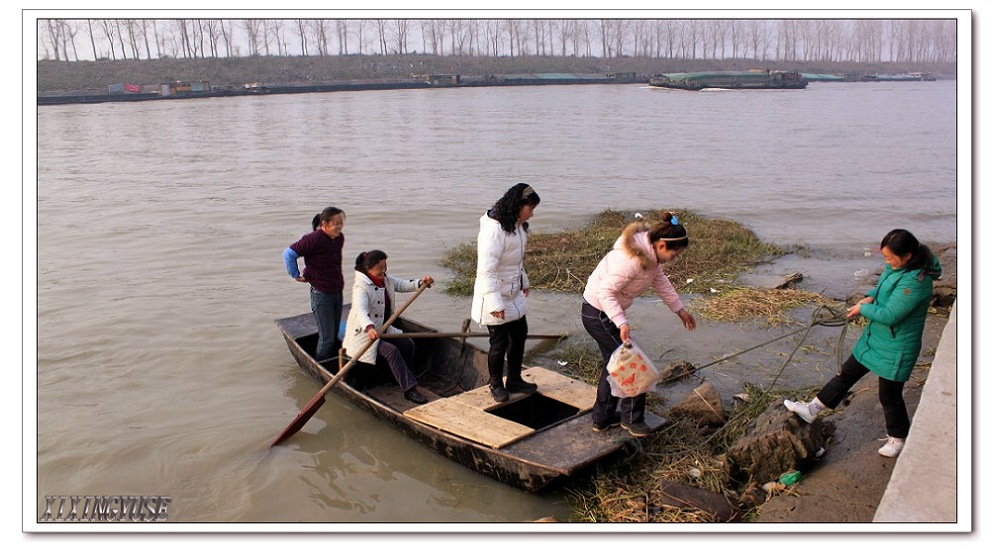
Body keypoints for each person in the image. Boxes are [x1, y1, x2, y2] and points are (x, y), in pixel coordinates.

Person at [784, 229, 941, 458]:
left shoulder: (916, 282)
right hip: (876, 338)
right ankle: (811, 410)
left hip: (897, 347)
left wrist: (863, 309)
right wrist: (869, 296)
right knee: (845, 374)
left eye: (889, 258)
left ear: (907, 256)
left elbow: (891, 315)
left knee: (889, 396)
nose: (886, 262)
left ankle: (897, 439)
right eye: (884, 257)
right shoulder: (898, 267)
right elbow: (883, 287)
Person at [581, 212, 697, 437]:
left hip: (604, 313)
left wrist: (680, 310)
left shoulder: (651, 258)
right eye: (674, 253)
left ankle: (602, 418)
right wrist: (621, 322)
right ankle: (632, 420)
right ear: (661, 244)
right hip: (597, 313)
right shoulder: (633, 260)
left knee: (613, 365)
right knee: (632, 362)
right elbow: (605, 292)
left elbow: (661, 282)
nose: (674, 258)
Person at [471, 183, 541, 403]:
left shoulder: (517, 225)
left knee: (520, 334)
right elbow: (486, 271)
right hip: (494, 293)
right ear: (518, 205)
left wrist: (524, 281)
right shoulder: (493, 230)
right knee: (499, 342)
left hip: (512, 291)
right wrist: (494, 304)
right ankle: (495, 384)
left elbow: (515, 263)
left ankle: (514, 379)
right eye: (530, 208)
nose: (532, 213)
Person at [343, 250, 435, 404]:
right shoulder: (361, 287)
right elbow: (361, 311)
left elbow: (402, 284)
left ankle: (401, 377)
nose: (384, 271)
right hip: (365, 334)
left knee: (408, 344)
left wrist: (421, 282)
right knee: (392, 351)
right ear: (368, 268)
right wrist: (370, 328)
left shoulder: (385, 279)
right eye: (380, 268)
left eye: (385, 266)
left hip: (383, 328)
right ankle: (409, 389)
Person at [283, 206, 346, 362]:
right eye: (335, 223)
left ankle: (334, 360)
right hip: (321, 295)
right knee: (327, 339)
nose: (339, 226)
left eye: (341, 222)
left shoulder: (339, 238)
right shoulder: (314, 239)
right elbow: (288, 254)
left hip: (336, 291)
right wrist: (296, 275)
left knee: (335, 332)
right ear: (324, 224)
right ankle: (321, 365)